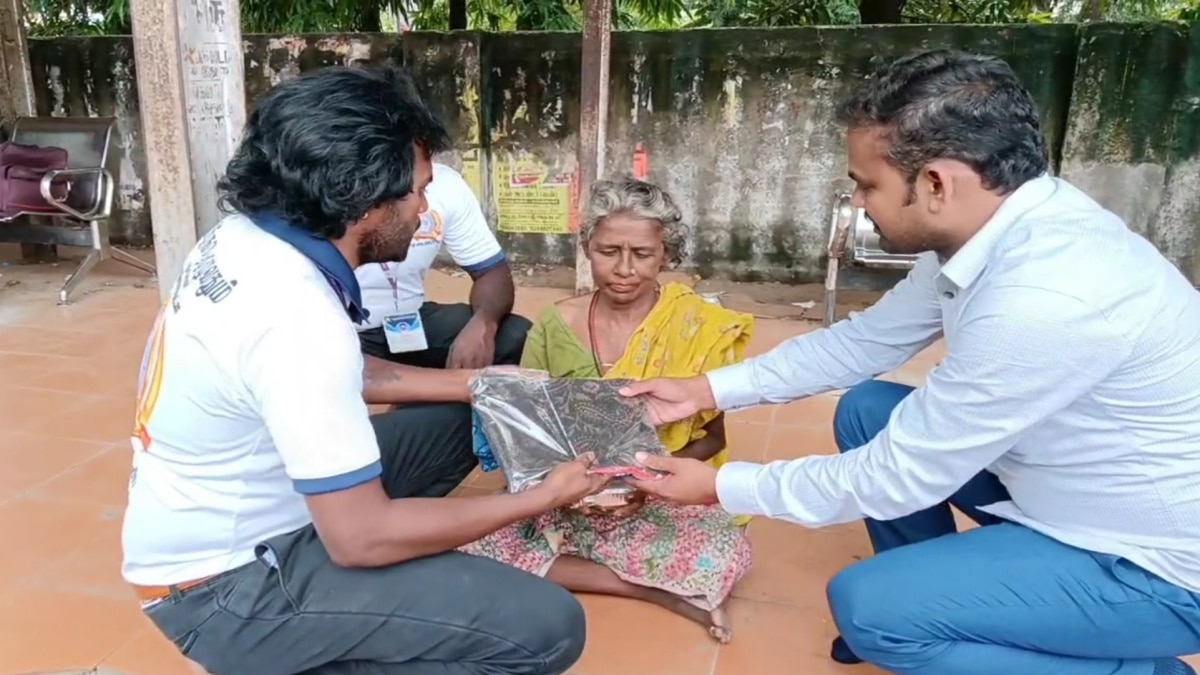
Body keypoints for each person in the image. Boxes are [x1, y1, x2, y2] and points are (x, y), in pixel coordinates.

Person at [618, 49, 1200, 675]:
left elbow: (896, 478)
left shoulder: (1044, 298)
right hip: (1066, 483)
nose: (860, 201)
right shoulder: (994, 228)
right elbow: (864, 342)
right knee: (869, 410)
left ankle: (1137, 669)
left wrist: (721, 486)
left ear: (936, 183)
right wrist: (706, 388)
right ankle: (928, 597)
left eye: (867, 184)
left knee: (864, 608)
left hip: (1150, 562)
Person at [120, 65, 608, 675]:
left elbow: (345, 372)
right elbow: (362, 539)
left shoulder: (245, 238)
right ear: (367, 202)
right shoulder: (294, 315)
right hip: (225, 587)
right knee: (545, 627)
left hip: (265, 508)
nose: (426, 208)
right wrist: (541, 497)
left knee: (469, 418)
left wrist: (479, 384)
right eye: (419, 191)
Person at [460, 177, 755, 643]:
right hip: (569, 493)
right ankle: (647, 588)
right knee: (470, 541)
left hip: (660, 494)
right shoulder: (557, 323)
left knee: (726, 551)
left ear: (666, 256)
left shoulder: (696, 326)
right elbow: (528, 433)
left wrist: (643, 484)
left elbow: (713, 439)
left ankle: (588, 566)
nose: (623, 269)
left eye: (642, 254)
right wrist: (570, 489)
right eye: (607, 251)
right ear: (587, 249)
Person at [355, 161, 532, 371]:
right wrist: (460, 386)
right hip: (340, 330)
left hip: (409, 320)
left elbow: (491, 270)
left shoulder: (446, 184)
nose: (424, 207)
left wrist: (483, 324)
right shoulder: (335, 183)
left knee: (516, 336)